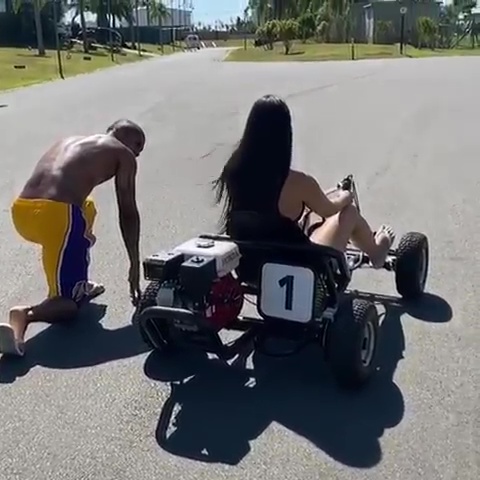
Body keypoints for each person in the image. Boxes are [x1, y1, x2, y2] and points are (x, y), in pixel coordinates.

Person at [0, 119, 145, 357]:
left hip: (23, 212)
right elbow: (128, 212)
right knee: (68, 307)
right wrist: (134, 264)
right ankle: (23, 317)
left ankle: (78, 281)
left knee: (86, 207)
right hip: (56, 216)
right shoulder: (123, 154)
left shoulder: (70, 141)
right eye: (138, 144)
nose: (137, 152)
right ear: (121, 135)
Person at [213, 94, 395, 268]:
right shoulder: (298, 182)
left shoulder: (234, 172)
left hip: (251, 264)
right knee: (349, 213)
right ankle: (377, 252)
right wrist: (345, 195)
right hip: (299, 266)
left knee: (303, 221)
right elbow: (329, 209)